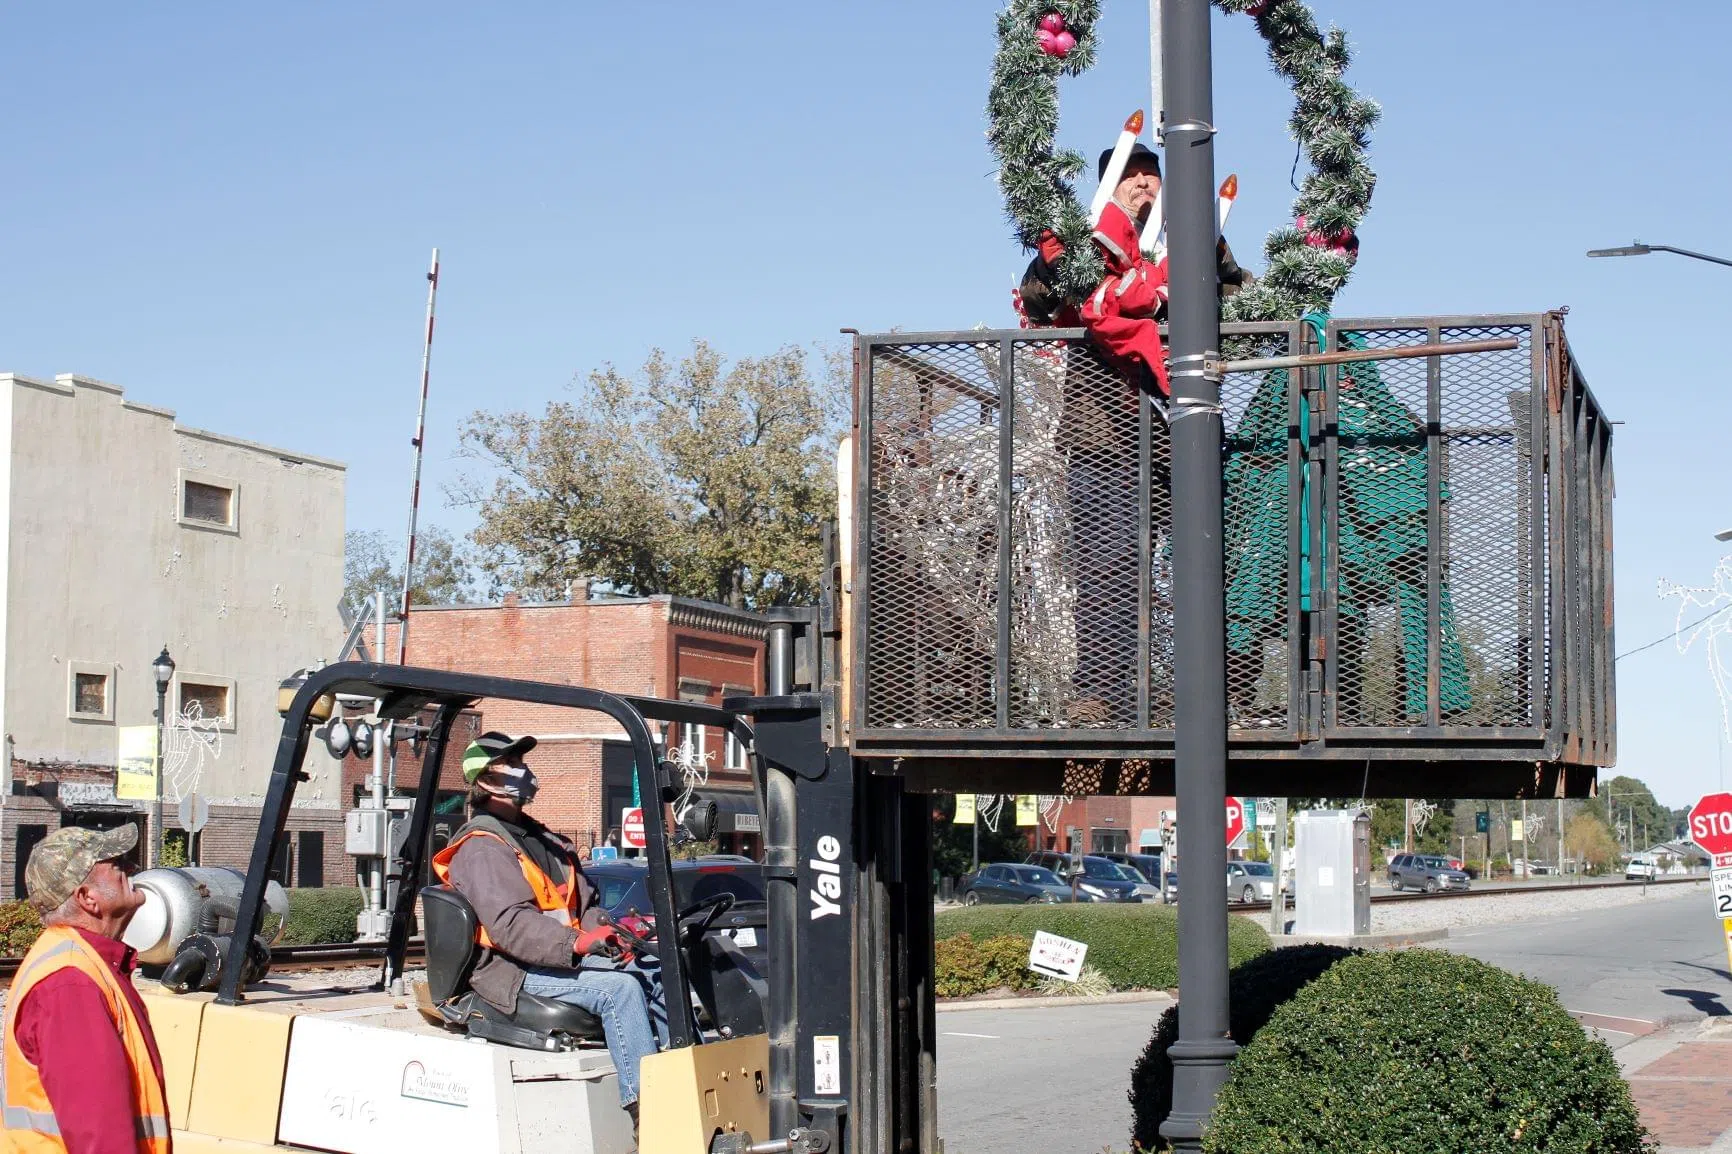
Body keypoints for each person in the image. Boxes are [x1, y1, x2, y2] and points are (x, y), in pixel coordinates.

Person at [430, 731, 668, 1137]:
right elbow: (510, 924)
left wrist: (610, 932)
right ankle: (650, 1118)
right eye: (512, 765)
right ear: (485, 780)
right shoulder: (482, 848)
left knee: (660, 971)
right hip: (513, 971)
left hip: (557, 959)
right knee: (620, 990)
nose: (524, 771)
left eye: (523, 763)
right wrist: (577, 943)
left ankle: (684, 1078)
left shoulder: (543, 840)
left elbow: (582, 907)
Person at [1, 824, 171, 1153]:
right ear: (87, 898)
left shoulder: (82, 963)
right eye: (116, 865)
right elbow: (99, 1137)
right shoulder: (71, 984)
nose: (132, 868)